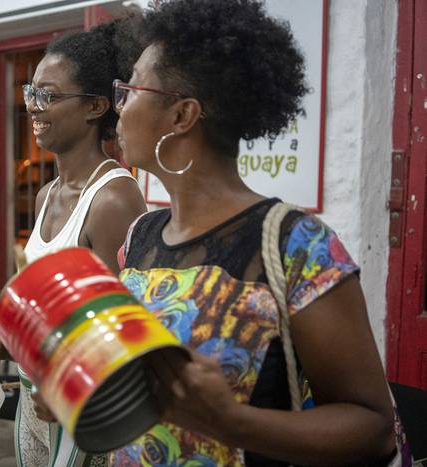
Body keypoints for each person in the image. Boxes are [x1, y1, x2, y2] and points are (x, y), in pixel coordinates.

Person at [107, 0, 404, 465]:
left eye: (130, 91)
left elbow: (372, 426)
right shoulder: (140, 236)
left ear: (182, 116)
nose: (119, 110)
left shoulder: (297, 245)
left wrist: (232, 423)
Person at [0, 19, 146, 467]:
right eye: (31, 94)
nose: (33, 107)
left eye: (48, 96)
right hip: (38, 405)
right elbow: (53, 320)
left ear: (95, 106)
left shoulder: (112, 197)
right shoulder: (47, 194)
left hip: (83, 415)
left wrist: (71, 391)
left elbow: (124, 338)